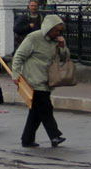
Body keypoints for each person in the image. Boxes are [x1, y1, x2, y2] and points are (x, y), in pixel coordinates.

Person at [12, 14, 70, 148]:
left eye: (59, 31)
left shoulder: (57, 40)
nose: (57, 33)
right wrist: (16, 74)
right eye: (55, 31)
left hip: (47, 80)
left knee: (36, 112)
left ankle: (27, 139)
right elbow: (19, 56)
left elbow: (65, 57)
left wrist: (62, 46)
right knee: (46, 108)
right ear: (48, 28)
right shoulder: (33, 38)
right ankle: (54, 135)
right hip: (33, 80)